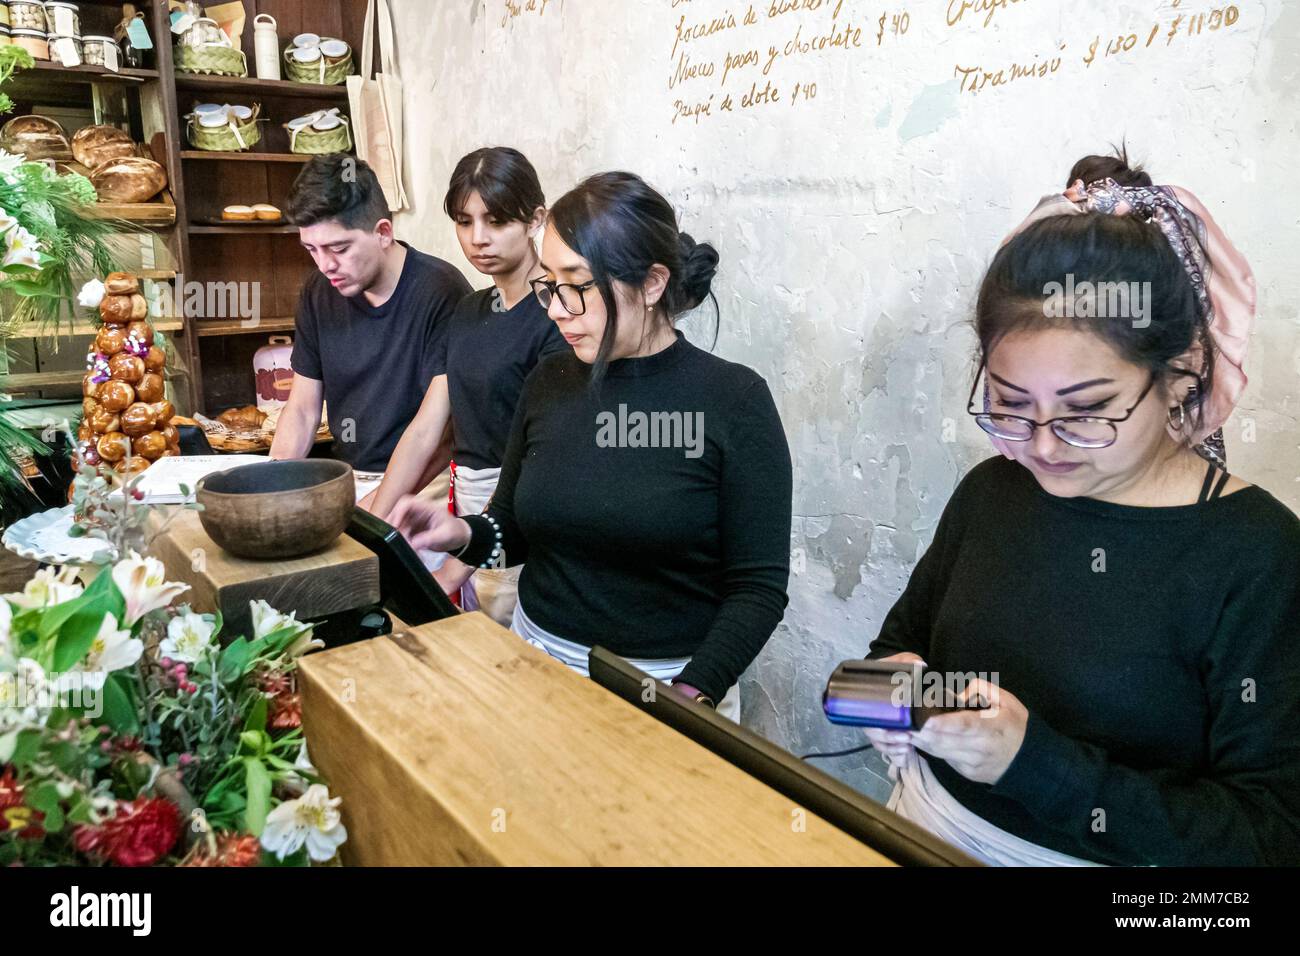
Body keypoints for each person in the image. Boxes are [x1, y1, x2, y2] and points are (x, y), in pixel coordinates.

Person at [862, 167, 1299, 866]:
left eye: (1086, 412)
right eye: (1009, 405)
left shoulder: (1257, 555)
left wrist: (1036, 764)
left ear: (1182, 374)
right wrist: (892, 696)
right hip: (919, 825)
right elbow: (897, 646)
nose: (1038, 444)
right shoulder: (991, 492)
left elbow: (1270, 835)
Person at [389, 171, 793, 721]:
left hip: (666, 686)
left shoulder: (733, 401)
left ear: (652, 284)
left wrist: (695, 692)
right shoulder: (550, 381)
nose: (556, 308)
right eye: (549, 282)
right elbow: (512, 530)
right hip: (538, 664)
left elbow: (758, 587)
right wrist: (461, 534)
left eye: (577, 284)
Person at [361, 147, 566, 625]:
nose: (478, 239)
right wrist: (372, 522)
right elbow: (427, 429)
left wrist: (453, 570)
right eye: (464, 221)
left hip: (524, 517)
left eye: (495, 221)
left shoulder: (558, 316)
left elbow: (542, 458)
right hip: (464, 513)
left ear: (535, 219)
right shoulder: (469, 312)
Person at [270, 154, 471, 482]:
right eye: (311, 249)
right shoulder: (318, 291)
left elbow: (440, 434)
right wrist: (271, 485)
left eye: (339, 249)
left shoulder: (440, 291)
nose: (325, 265)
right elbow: (303, 411)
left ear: (383, 233)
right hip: (347, 476)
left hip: (426, 481)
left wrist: (378, 506)